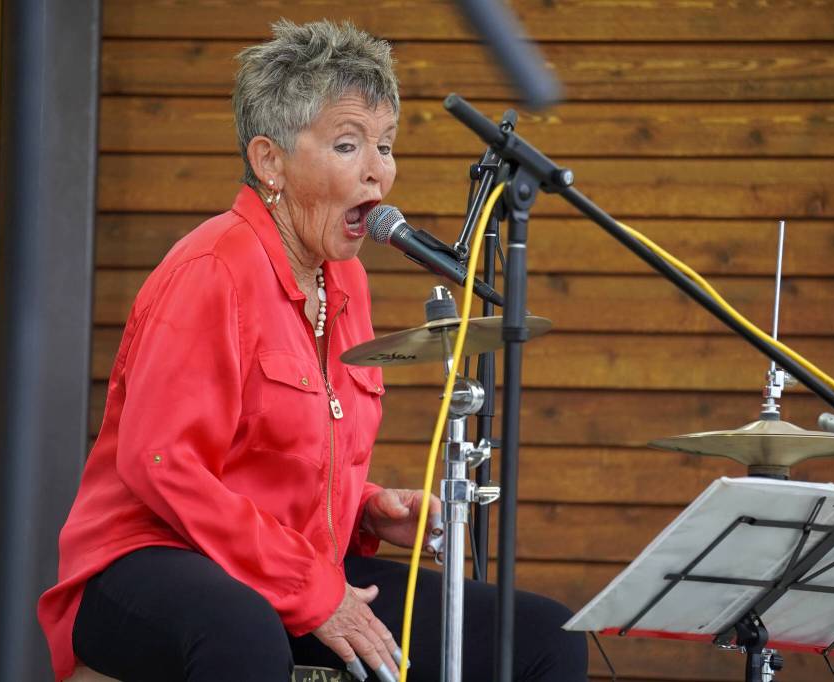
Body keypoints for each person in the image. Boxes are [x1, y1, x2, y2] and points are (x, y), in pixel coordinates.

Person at [38, 19, 587, 682]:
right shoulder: (211, 269)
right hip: (147, 560)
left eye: (385, 145)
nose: (378, 169)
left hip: (292, 566)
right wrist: (312, 591)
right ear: (270, 161)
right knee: (240, 630)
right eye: (349, 144)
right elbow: (163, 466)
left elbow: (274, 467)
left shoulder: (346, 278)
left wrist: (368, 508)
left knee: (541, 636)